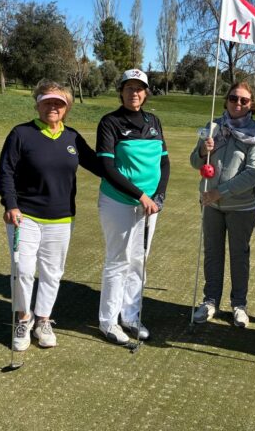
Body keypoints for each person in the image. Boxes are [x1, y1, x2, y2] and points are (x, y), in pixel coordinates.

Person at [0, 80, 102, 351]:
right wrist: (10, 204)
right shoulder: (21, 134)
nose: (52, 107)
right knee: (22, 270)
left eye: (58, 103)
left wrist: (132, 178)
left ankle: (43, 320)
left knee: (52, 273)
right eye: (47, 102)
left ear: (66, 107)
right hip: (25, 215)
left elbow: (99, 165)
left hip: (62, 218)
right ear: (38, 104)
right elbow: (6, 171)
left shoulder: (72, 138)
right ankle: (23, 318)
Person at [96, 69, 170, 345]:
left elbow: (164, 162)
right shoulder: (110, 122)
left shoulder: (153, 121)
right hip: (119, 202)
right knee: (118, 261)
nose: (135, 93)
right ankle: (108, 321)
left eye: (140, 88)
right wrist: (141, 196)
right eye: (129, 88)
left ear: (146, 92)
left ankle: (130, 315)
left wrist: (158, 196)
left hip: (149, 206)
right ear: (121, 91)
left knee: (139, 261)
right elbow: (107, 166)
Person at [190, 82, 255, 328]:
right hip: (211, 205)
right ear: (226, 100)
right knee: (212, 253)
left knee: (238, 256)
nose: (238, 103)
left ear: (251, 105)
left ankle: (239, 305)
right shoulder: (213, 127)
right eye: (234, 98)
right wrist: (203, 149)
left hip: (241, 206)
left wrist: (219, 192)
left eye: (244, 100)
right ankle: (210, 301)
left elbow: (253, 173)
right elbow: (194, 162)